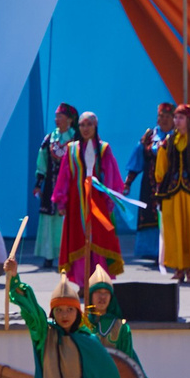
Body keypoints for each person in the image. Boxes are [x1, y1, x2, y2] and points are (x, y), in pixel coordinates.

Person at [56, 110, 127, 285]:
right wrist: (61, 199)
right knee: (78, 240)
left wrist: (109, 200)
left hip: (97, 203)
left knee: (98, 240)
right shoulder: (72, 149)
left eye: (89, 124)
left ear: (95, 126)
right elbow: (64, 177)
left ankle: (99, 281)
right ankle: (83, 283)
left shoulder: (103, 149)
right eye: (82, 125)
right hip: (76, 203)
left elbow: (111, 175)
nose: (85, 128)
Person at [151, 104, 190, 284]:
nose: (176, 121)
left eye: (181, 118)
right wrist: (159, 193)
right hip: (172, 193)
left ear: (189, 121)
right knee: (174, 230)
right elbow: (161, 168)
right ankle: (178, 268)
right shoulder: (168, 142)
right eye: (176, 118)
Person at [127, 101, 176, 268]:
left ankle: (171, 252)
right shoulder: (150, 136)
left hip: (172, 185)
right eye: (161, 116)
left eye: (168, 116)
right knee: (150, 216)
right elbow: (137, 159)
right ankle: (154, 252)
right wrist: (128, 183)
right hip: (149, 185)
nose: (164, 119)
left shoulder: (179, 136)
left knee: (170, 217)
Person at [32, 104, 79, 270]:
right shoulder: (50, 138)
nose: (56, 119)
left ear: (70, 119)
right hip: (52, 186)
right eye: (56, 116)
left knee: (67, 220)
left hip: (70, 187)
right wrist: (38, 184)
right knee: (49, 220)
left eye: (59, 116)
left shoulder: (76, 138)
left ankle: (68, 256)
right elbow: (42, 161)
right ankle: (49, 256)